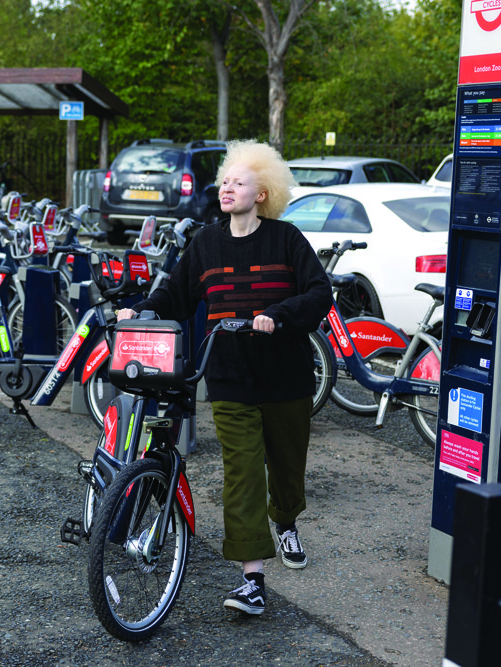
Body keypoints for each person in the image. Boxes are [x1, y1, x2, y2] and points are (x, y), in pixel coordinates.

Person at [116, 139, 332, 615]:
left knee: (287, 472)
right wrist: (143, 308)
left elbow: (321, 294)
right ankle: (252, 579)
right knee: (243, 474)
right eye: (225, 181)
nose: (227, 187)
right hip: (230, 376)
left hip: (286, 378)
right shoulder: (206, 244)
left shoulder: (286, 239)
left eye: (239, 182)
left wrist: (278, 314)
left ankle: (286, 519)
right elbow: (175, 294)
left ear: (262, 193)